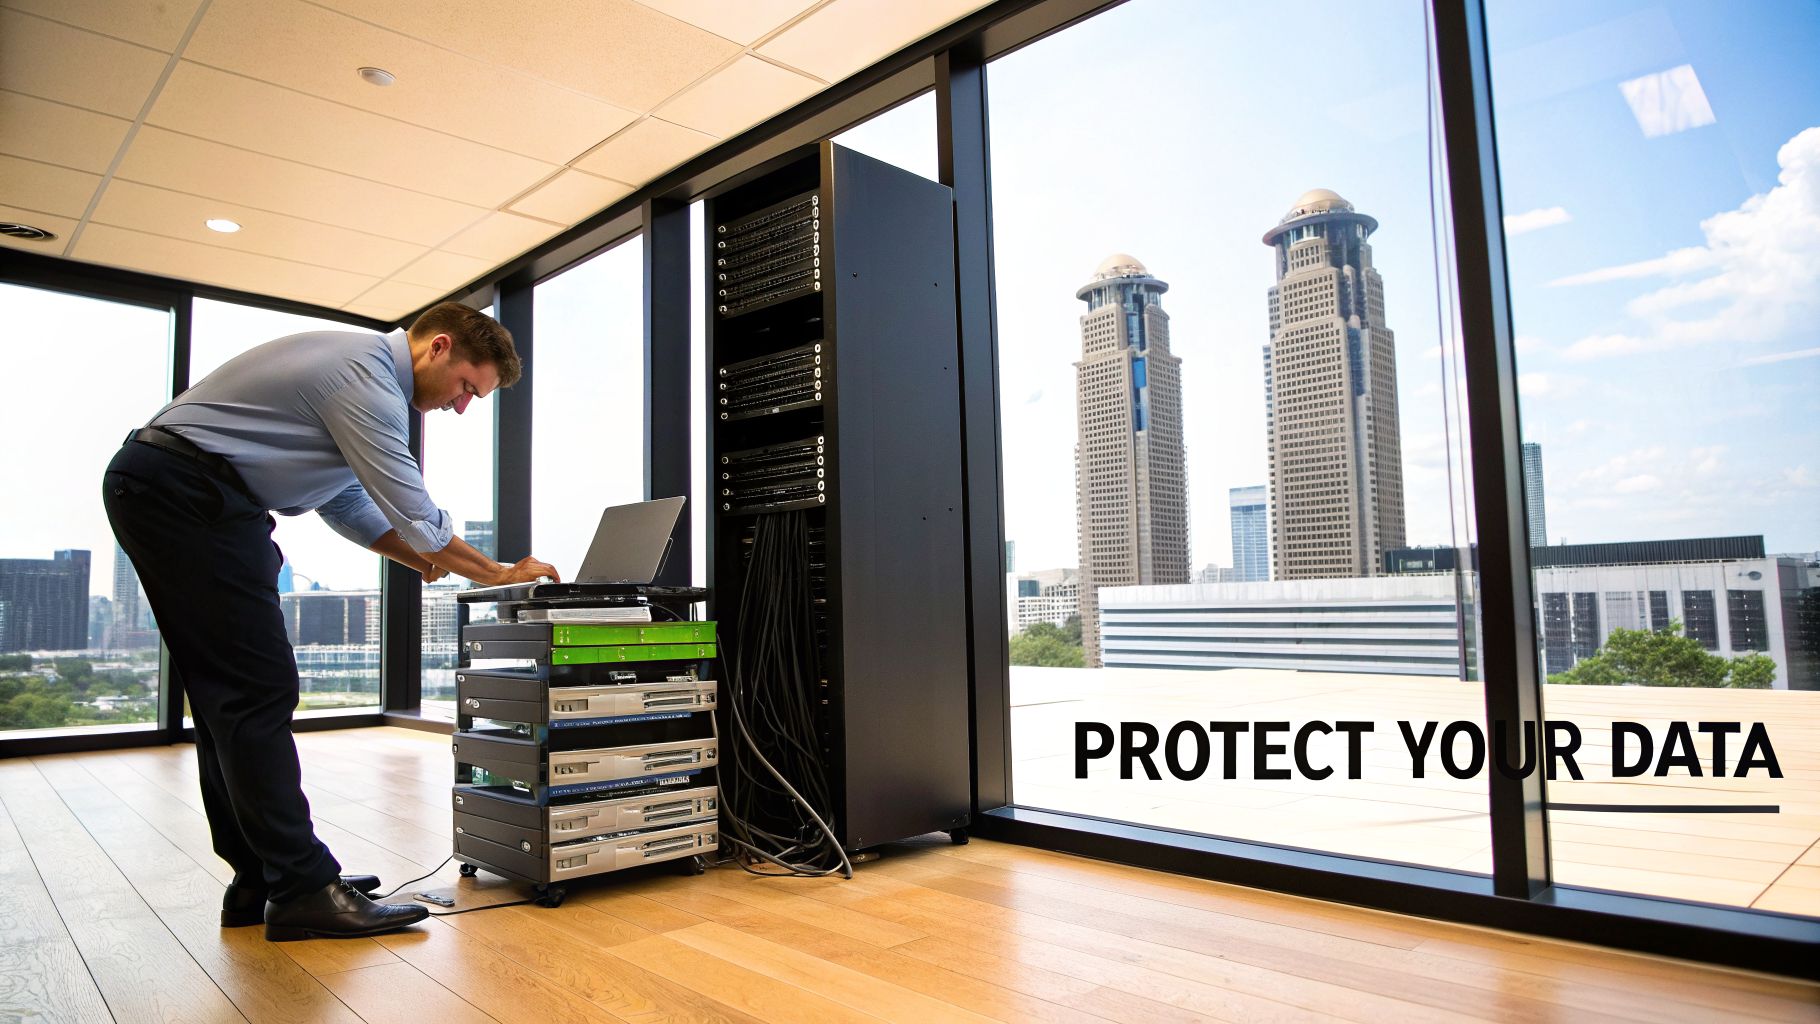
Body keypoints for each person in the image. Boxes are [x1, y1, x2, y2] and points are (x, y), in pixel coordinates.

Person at [102, 301, 559, 942]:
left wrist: (417, 557)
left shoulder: (359, 378)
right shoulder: (366, 379)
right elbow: (412, 505)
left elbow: (344, 502)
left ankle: (264, 877)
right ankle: (302, 888)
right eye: (466, 388)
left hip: (181, 491)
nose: (462, 406)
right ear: (439, 347)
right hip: (188, 493)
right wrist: (496, 572)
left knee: (227, 699)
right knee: (257, 690)